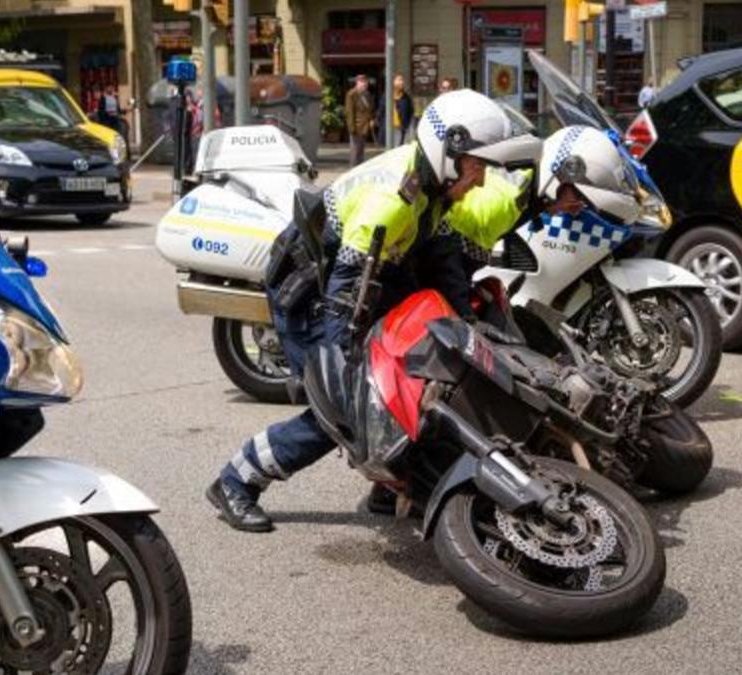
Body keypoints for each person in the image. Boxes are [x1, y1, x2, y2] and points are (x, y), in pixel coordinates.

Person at [206, 89, 540, 533]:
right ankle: (238, 479)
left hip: (362, 284)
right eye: (477, 166)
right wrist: (339, 365)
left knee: (418, 383)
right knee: (345, 410)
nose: (480, 181)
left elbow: (440, 262)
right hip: (310, 297)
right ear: (451, 153)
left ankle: (393, 488)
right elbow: (344, 292)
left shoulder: (432, 188)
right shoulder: (392, 199)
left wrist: (471, 325)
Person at [344, 74, 374, 167]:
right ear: (357, 83)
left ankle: (359, 170)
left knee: (361, 152)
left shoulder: (367, 95)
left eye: (366, 82)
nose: (364, 84)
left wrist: (371, 120)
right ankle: (352, 171)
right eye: (362, 82)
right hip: (356, 127)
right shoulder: (351, 94)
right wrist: (352, 128)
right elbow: (350, 112)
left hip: (365, 127)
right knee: (355, 153)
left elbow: (369, 110)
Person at [391, 74, 414, 145]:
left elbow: (411, 111)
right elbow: (381, 110)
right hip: (390, 128)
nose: (401, 82)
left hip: (401, 127)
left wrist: (407, 125)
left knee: (399, 149)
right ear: (393, 82)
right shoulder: (387, 95)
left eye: (402, 80)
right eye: (399, 80)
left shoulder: (406, 97)